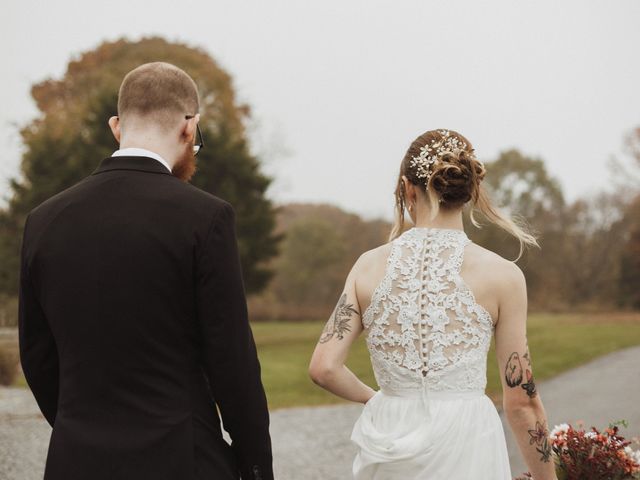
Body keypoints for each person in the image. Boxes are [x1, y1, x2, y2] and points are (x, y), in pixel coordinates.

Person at [18, 62, 273, 480]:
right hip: (180, 459)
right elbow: (232, 361)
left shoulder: (44, 220)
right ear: (189, 128)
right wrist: (255, 466)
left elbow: (37, 355)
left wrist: (80, 429)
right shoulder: (205, 217)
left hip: (76, 461)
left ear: (117, 126)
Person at [309, 129, 558, 479]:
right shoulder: (503, 276)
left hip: (390, 435)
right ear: (470, 192)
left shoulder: (368, 265)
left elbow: (324, 368)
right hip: (467, 440)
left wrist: (377, 399)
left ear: (408, 189)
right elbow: (522, 402)